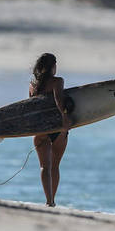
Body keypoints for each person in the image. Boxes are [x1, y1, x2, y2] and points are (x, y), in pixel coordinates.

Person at [29, 52, 72, 206]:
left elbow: (30, 107)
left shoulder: (33, 85)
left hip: (40, 129)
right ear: (52, 66)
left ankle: (49, 201)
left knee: (44, 167)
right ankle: (52, 201)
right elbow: (59, 100)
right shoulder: (57, 81)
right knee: (55, 165)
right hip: (57, 127)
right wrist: (65, 118)